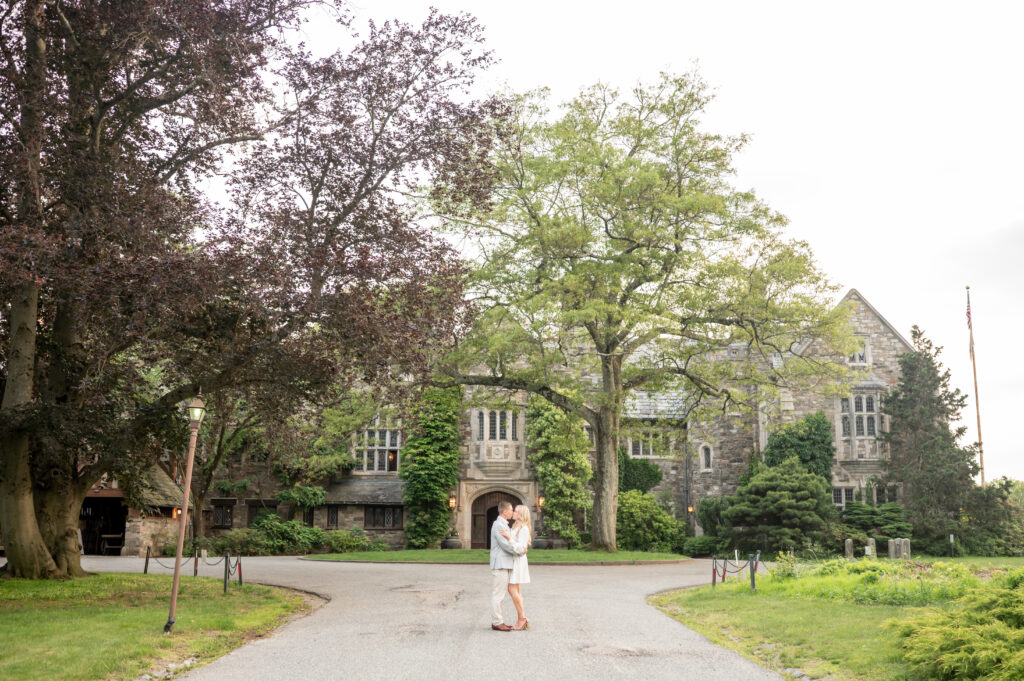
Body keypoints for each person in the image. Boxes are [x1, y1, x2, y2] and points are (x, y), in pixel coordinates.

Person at [489, 500, 526, 632]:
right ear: (504, 512)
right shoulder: (499, 525)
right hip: (500, 564)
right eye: (511, 510)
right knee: (498, 594)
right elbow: (505, 545)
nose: (512, 512)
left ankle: (499, 621)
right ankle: (497, 622)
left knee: (501, 594)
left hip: (505, 564)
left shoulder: (503, 524)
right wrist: (521, 550)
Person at [501, 504, 532, 630]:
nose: (513, 512)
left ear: (521, 515)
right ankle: (522, 618)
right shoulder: (514, 526)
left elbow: (522, 549)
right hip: (513, 560)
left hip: (518, 561)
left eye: (516, 511)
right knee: (516, 591)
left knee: (512, 589)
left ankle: (522, 618)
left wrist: (509, 538)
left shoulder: (523, 529)